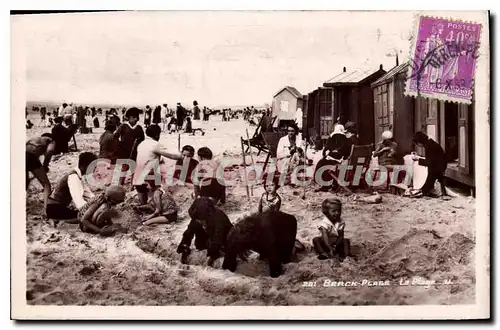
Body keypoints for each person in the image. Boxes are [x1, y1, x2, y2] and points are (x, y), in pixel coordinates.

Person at [133, 124, 182, 205]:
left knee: (142, 201)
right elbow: (172, 155)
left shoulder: (142, 144)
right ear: (157, 135)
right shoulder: (155, 144)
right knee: (156, 194)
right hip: (149, 174)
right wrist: (180, 156)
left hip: (138, 174)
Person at [46, 152, 98, 223]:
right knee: (91, 217)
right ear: (87, 166)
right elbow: (78, 202)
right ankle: (59, 220)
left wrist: (97, 200)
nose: (94, 170)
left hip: (57, 207)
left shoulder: (78, 176)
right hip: (55, 209)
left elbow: (87, 194)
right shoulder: (73, 177)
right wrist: (91, 209)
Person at [411, 131, 448, 198]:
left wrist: (417, 159)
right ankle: (427, 189)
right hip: (438, 165)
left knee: (428, 181)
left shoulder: (429, 146)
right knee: (428, 180)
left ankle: (427, 190)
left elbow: (429, 162)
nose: (418, 145)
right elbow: (431, 160)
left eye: (417, 144)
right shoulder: (430, 144)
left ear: (419, 142)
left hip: (438, 168)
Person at [26, 133, 56, 214]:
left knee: (25, 183)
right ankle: (47, 210)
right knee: (46, 185)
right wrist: (45, 165)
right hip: (31, 158)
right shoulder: (51, 140)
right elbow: (50, 151)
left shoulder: (34, 138)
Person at [114, 107, 145, 185]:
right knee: (124, 169)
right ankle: (120, 184)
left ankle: (133, 185)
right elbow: (115, 136)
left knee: (134, 169)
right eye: (133, 117)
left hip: (135, 152)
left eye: (136, 118)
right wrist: (119, 146)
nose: (135, 119)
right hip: (124, 152)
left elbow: (142, 140)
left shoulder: (139, 128)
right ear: (129, 118)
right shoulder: (123, 126)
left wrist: (138, 144)